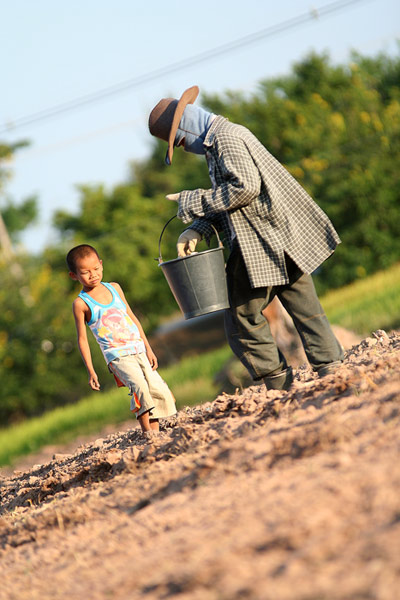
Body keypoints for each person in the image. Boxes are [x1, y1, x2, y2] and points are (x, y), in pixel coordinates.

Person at [148, 85, 344, 391]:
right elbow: (230, 199)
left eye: (181, 141)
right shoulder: (220, 140)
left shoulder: (225, 140)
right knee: (305, 306)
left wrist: (192, 200)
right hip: (281, 237)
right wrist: (197, 229)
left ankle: (278, 383)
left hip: (261, 241)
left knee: (241, 315)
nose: (185, 148)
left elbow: (245, 188)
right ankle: (333, 371)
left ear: (186, 126)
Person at [67, 244, 177, 432]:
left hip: (138, 349)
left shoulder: (115, 288)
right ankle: (147, 434)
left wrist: (148, 348)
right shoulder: (81, 304)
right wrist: (91, 370)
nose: (93, 274)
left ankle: (156, 435)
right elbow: (82, 340)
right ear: (74, 275)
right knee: (139, 388)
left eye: (96, 269)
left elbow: (132, 317)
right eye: (85, 272)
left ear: (101, 265)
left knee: (154, 388)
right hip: (116, 355)